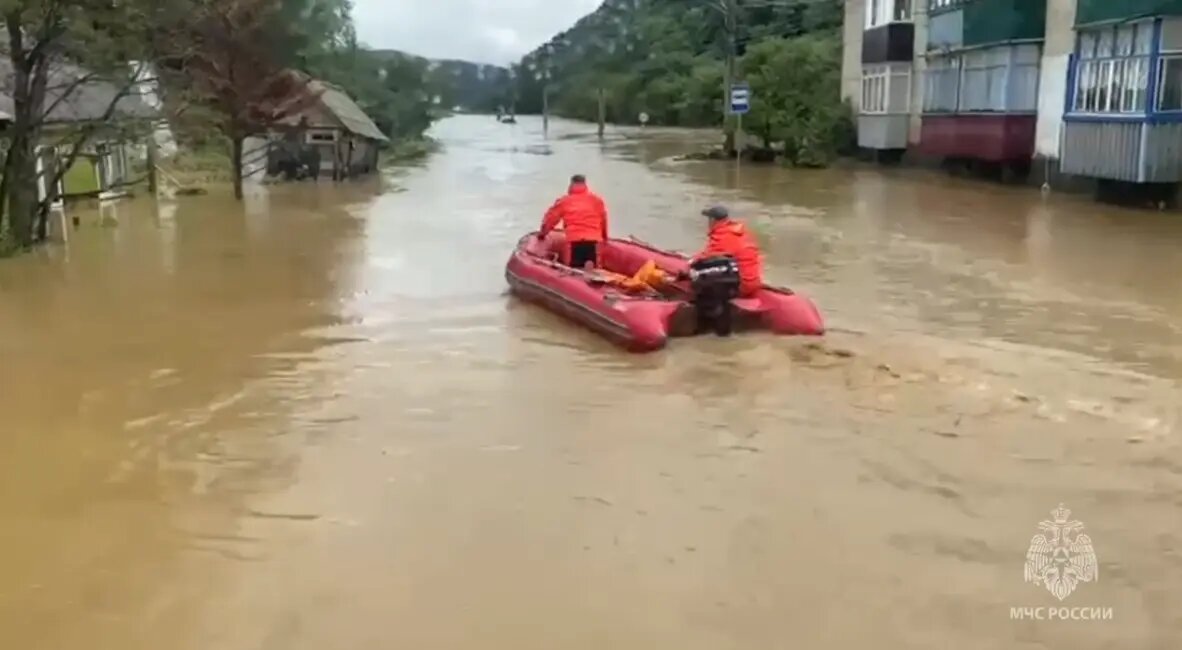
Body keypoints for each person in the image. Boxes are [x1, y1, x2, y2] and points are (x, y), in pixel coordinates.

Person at [686, 205, 764, 297]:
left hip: (742, 285)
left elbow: (705, 256)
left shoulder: (721, 235)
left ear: (712, 220)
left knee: (699, 275)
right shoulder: (741, 232)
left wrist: (689, 263)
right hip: (754, 281)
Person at [538, 174, 609, 269]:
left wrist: (543, 234)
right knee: (594, 272)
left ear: (571, 185)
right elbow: (603, 220)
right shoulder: (597, 201)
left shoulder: (564, 201)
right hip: (593, 240)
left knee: (572, 272)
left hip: (574, 241)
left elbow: (550, 219)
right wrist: (605, 237)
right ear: (585, 184)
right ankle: (590, 270)